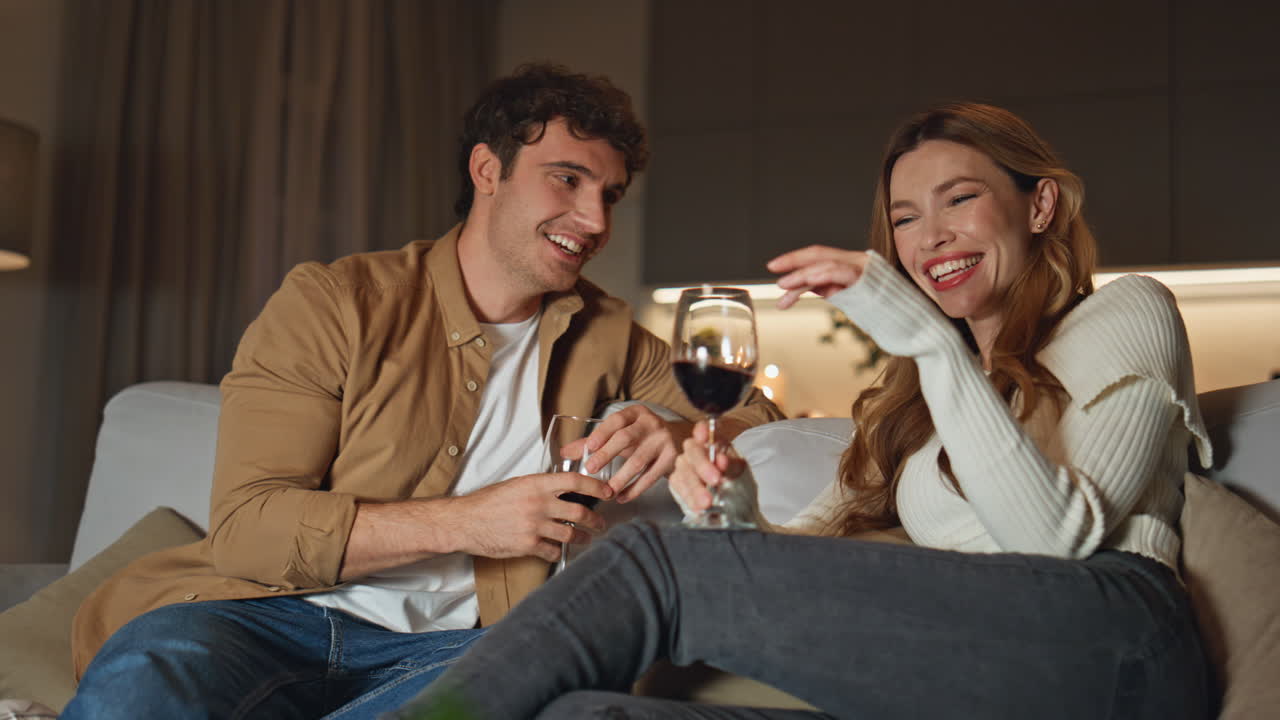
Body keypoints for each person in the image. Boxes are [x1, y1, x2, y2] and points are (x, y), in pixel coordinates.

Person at [389, 102, 1214, 720]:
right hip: (974, 679)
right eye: (904, 219)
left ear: (1039, 208)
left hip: (1117, 648)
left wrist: (928, 342)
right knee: (586, 716)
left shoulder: (1125, 314)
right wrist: (737, 512)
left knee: (655, 564)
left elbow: (1058, 545)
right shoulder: (931, 399)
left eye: (959, 200)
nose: (930, 238)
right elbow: (805, 565)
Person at [61, 63, 783, 719]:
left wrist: (682, 432)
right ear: (486, 170)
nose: (595, 221)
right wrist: (469, 524)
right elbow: (251, 528)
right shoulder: (335, 302)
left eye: (609, 195)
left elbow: (763, 420)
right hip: (264, 618)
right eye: (566, 179)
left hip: (463, 650)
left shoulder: (610, 332)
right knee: (146, 679)